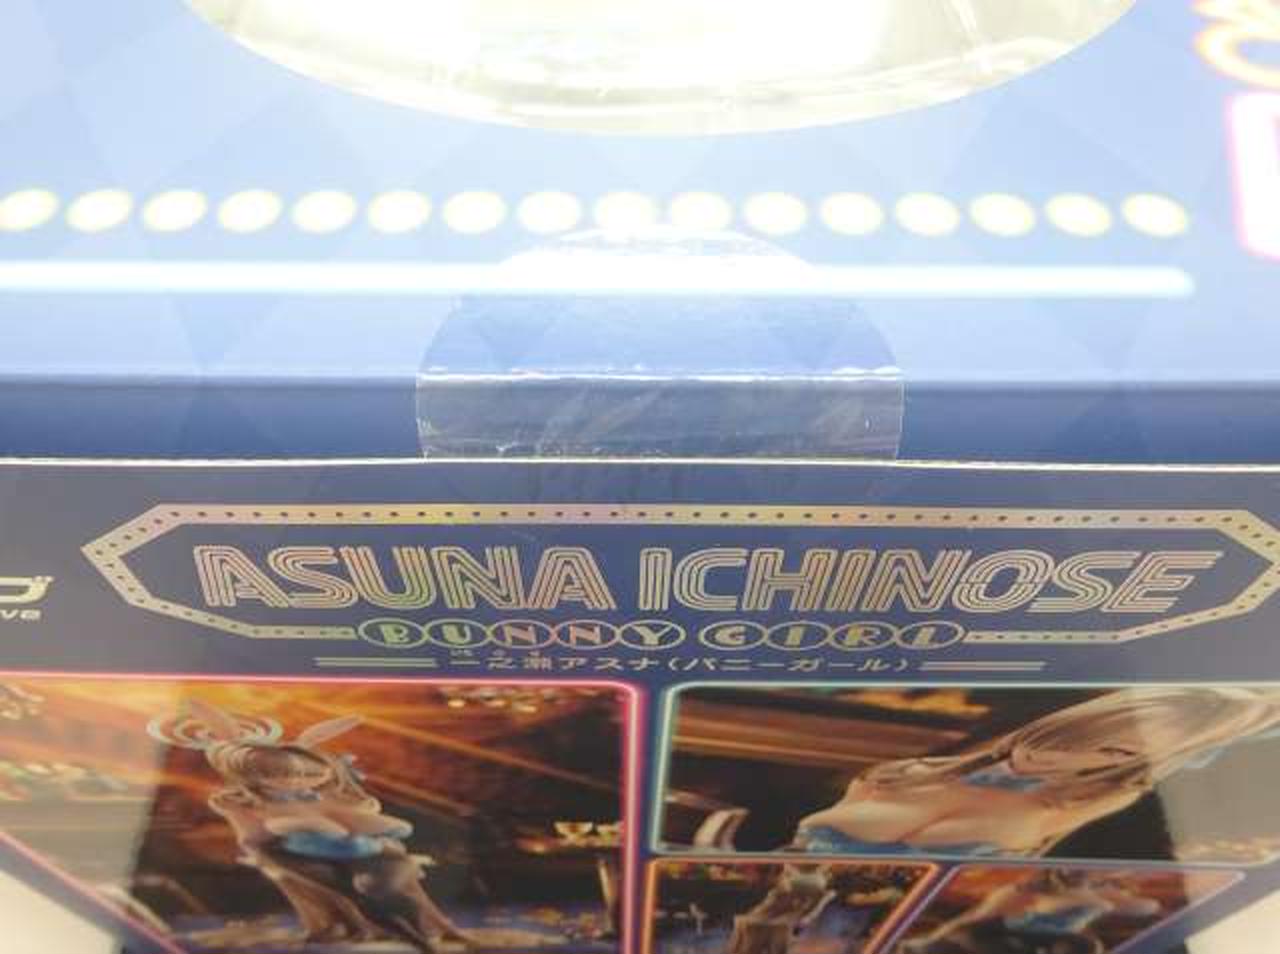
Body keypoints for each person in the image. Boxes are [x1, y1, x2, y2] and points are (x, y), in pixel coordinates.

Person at [792, 687, 1280, 857]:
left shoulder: (1075, 803)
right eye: (1076, 735)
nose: (1056, 756)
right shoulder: (907, 774)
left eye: (1112, 752)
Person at [171, 701, 473, 952]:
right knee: (345, 890)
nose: (295, 781)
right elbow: (253, 837)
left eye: (307, 774)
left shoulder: (319, 794)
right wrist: (288, 829)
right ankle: (365, 929)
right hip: (293, 855)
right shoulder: (245, 802)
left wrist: (367, 826)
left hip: (354, 850)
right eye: (282, 776)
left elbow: (355, 817)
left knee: (388, 877)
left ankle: (428, 930)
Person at [899, 869, 1161, 954]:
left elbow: (1146, 907)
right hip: (1004, 932)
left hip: (1031, 937)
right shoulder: (1023, 893)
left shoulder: (1105, 897)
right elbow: (976, 918)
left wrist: (1101, 895)